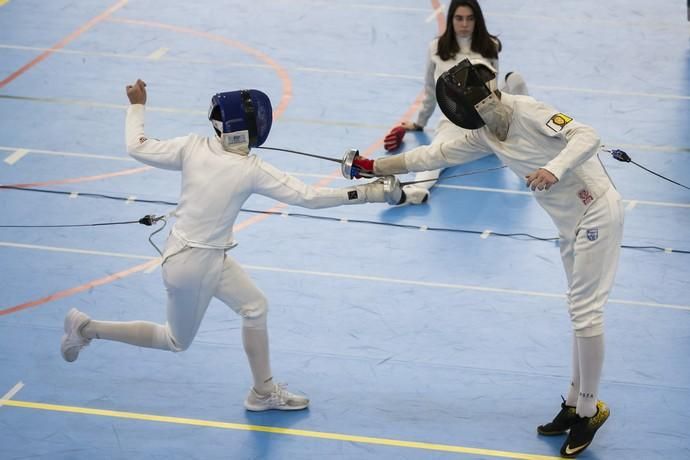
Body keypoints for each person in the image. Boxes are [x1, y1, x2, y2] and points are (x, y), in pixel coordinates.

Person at [60, 79, 402, 412]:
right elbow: (309, 197)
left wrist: (137, 106)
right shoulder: (249, 168)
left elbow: (137, 146)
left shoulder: (192, 146)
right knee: (175, 340)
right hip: (193, 266)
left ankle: (262, 392)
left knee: (255, 307)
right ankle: (87, 328)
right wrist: (369, 193)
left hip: (199, 255)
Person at [351, 60, 622, 458]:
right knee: (577, 311)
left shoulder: (531, 110)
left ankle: (589, 409)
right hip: (569, 224)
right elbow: (432, 155)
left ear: (491, 93)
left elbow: (587, 135)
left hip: (597, 210)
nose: (483, 118)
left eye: (483, 108)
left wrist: (553, 167)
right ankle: (573, 402)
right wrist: (373, 166)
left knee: (586, 312)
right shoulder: (482, 135)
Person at [385, 0, 528, 204]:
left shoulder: (490, 46)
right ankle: (415, 191)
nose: (464, 24)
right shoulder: (436, 48)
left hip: (489, 121)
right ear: (451, 19)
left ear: (477, 21)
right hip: (454, 122)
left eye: (470, 19)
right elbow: (430, 89)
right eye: (459, 18)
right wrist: (420, 122)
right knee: (434, 156)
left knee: (515, 79)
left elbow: (494, 89)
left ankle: (526, 133)